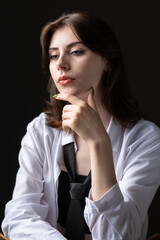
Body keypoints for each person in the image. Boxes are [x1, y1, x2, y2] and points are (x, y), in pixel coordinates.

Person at [1, 10, 160, 240]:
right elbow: (18, 216)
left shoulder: (146, 140)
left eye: (76, 52)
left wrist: (99, 142)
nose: (61, 65)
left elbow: (119, 236)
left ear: (107, 61)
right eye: (54, 56)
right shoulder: (40, 131)